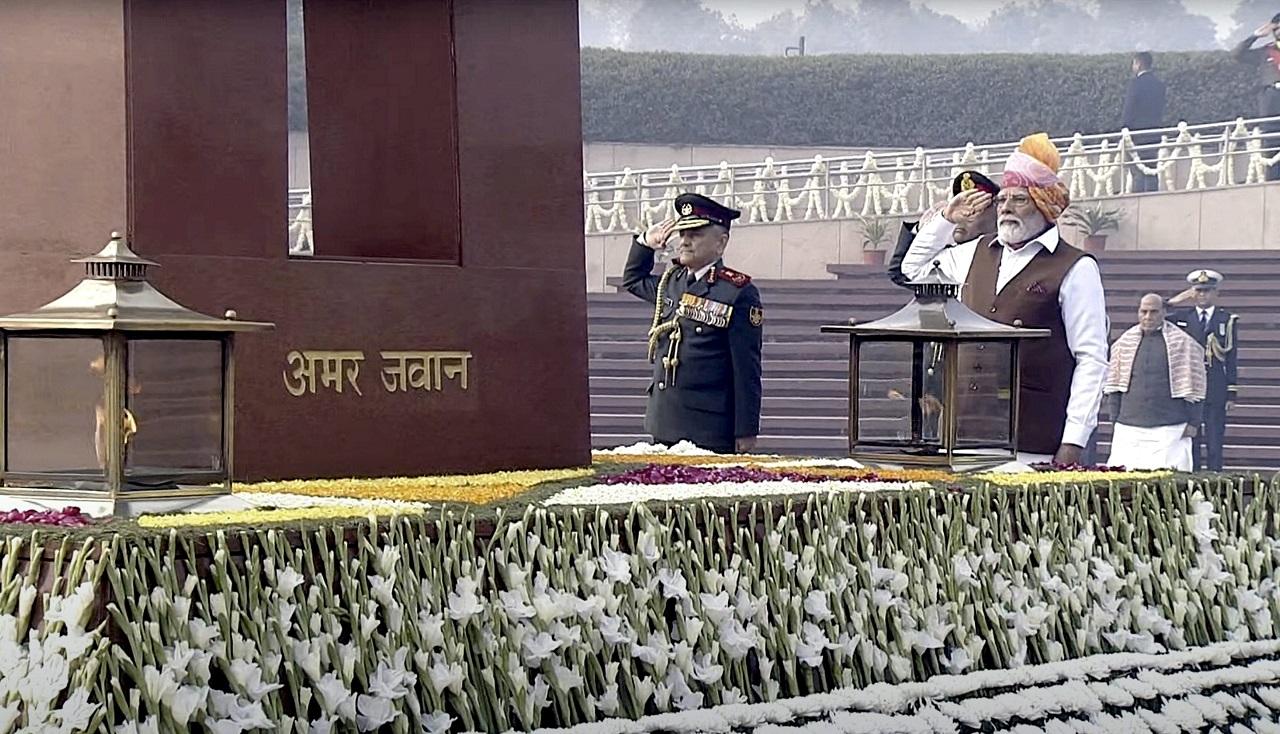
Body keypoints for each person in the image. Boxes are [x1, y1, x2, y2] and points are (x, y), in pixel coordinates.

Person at [901, 133, 1109, 465]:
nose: (1007, 208)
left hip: (1032, 440)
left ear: (1043, 204)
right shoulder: (975, 253)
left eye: (1019, 200)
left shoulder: (1076, 267)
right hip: (965, 436)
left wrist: (1074, 440)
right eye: (1003, 200)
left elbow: (1091, 359)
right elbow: (913, 270)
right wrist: (946, 220)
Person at [621, 192, 763, 454]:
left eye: (695, 234)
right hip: (664, 420)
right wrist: (645, 243)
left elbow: (746, 369)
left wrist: (746, 429)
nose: (684, 242)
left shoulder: (736, 292)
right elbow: (632, 280)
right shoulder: (671, 282)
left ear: (720, 243)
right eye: (683, 234)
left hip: (708, 427)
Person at [1103, 294, 1205, 471]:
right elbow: (1114, 386)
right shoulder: (1123, 344)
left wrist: (1194, 422)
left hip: (1171, 428)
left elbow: (1196, 387)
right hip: (1129, 427)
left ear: (1164, 313)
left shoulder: (1184, 343)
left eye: (1154, 312)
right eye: (1144, 312)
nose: (1148, 317)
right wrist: (1114, 419)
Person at [1167, 269, 1239, 471]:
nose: (1202, 295)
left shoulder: (1227, 320)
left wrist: (1231, 392)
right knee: (1193, 440)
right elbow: (1159, 313)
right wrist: (1175, 300)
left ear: (1215, 293)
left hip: (1216, 388)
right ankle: (1194, 479)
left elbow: (1231, 358)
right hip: (1191, 388)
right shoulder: (1182, 318)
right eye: (1198, 291)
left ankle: (1215, 479)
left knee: (1215, 439)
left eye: (1207, 291)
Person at [887, 170, 999, 288]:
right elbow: (906, 272)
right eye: (960, 211)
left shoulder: (1002, 252)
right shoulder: (950, 254)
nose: (961, 219)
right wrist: (936, 223)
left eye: (973, 211)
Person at [1232, 13, 1280, 182]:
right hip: (1271, 101)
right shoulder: (1265, 51)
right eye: (1277, 28)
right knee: (1270, 142)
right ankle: (1273, 181)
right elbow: (1237, 54)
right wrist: (1254, 36)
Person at [1121, 51, 1167, 193]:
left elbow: (1130, 108)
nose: (1133, 67)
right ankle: (1153, 197)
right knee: (1152, 168)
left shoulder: (1135, 84)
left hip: (1137, 134)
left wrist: (1125, 128)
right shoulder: (1159, 85)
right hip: (1154, 132)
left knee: (1138, 171)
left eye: (1134, 63)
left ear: (1139, 64)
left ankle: (1138, 197)